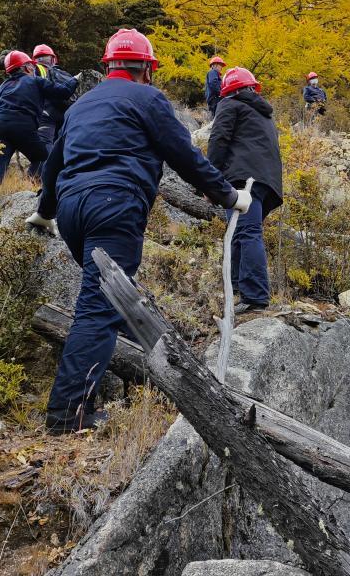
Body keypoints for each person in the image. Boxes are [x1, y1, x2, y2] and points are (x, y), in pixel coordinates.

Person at [26, 28, 252, 434]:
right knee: (99, 306)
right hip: (114, 203)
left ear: (108, 65)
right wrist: (229, 196)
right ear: (147, 68)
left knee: (112, 297)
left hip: (72, 211)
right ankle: (67, 415)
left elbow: (53, 165)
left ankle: (145, 374)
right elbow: (184, 155)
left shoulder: (81, 105)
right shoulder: (148, 99)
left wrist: (44, 212)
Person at [208, 67, 283, 314]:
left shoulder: (229, 104)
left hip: (243, 178)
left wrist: (210, 180)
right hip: (267, 183)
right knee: (240, 232)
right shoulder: (263, 113)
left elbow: (218, 140)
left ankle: (254, 296)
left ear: (228, 90)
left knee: (247, 232)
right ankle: (239, 290)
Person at [0, 50, 77, 183]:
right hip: (21, 126)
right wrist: (74, 80)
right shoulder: (35, 81)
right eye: (30, 65)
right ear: (26, 67)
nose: (33, 67)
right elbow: (63, 92)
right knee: (43, 157)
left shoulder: (2, 87)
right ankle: (32, 183)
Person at [31, 44, 78, 174]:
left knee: (45, 144)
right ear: (54, 59)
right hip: (65, 112)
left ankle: (38, 176)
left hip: (46, 112)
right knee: (62, 145)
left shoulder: (37, 69)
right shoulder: (63, 74)